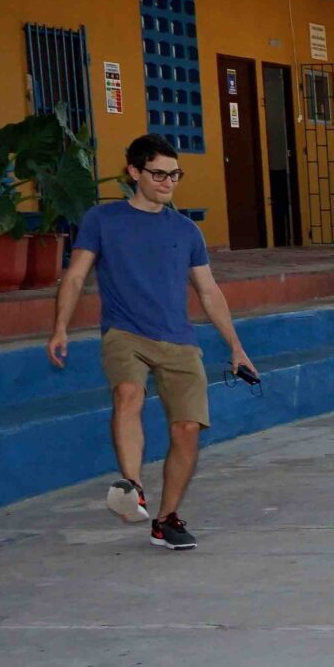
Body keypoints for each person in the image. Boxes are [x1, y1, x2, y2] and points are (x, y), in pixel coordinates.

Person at [46, 135, 257, 550]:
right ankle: (133, 486)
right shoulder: (102, 219)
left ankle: (166, 519)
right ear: (134, 173)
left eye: (174, 174)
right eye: (158, 173)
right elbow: (74, 276)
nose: (167, 182)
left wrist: (235, 345)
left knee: (187, 429)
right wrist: (60, 327)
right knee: (128, 394)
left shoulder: (185, 230)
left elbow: (208, 291)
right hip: (125, 332)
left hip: (179, 338)